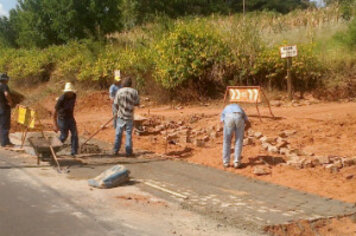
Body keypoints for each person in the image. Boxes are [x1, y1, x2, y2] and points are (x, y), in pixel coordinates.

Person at [113, 77, 139, 157]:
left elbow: (116, 103)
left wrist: (116, 112)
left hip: (121, 116)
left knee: (118, 134)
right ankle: (128, 151)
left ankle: (115, 150)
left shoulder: (119, 91)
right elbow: (137, 103)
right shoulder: (134, 92)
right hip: (130, 116)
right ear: (130, 84)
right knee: (128, 134)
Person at [220, 103, 251, 169]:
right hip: (239, 117)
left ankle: (226, 162)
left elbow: (222, 120)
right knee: (238, 141)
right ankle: (236, 162)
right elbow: (247, 121)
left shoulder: (226, 107)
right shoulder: (240, 108)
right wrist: (244, 128)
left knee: (227, 141)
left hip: (228, 117)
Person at [53, 82, 78, 156]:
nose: (70, 94)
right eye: (68, 92)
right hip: (62, 119)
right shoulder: (61, 99)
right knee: (64, 136)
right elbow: (54, 112)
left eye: (71, 92)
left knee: (75, 134)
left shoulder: (74, 96)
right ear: (66, 92)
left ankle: (74, 152)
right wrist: (55, 124)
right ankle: (53, 149)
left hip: (70, 118)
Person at [0, 73, 14, 147]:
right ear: (5, 80)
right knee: (5, 125)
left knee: (1, 125)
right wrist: (10, 102)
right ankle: (5, 143)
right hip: (4, 108)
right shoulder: (3, 86)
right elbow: (6, 94)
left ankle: (4, 141)